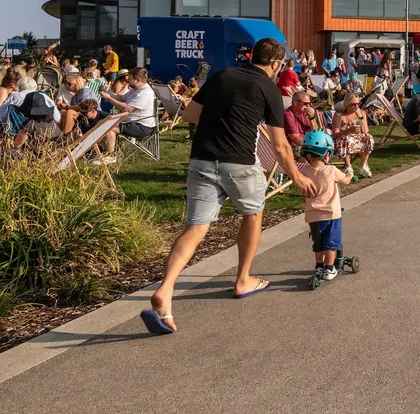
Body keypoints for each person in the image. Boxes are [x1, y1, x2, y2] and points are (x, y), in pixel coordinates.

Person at [141, 38, 310, 335]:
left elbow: (190, 115)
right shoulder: (268, 87)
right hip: (239, 163)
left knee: (195, 228)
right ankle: (243, 279)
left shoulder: (221, 75)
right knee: (253, 214)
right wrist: (297, 177)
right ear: (276, 64)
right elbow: (281, 145)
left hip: (202, 159)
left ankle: (166, 290)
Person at [297, 131, 352, 284]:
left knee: (318, 243)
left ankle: (319, 266)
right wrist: (349, 172)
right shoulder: (332, 170)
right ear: (327, 154)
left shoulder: (304, 172)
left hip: (313, 215)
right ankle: (329, 268)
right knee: (331, 243)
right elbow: (346, 180)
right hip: (331, 214)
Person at [98, 67, 157, 151]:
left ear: (137, 79)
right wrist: (106, 92)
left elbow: (127, 109)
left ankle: (110, 155)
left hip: (142, 126)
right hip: (131, 122)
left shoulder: (144, 93)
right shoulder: (135, 89)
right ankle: (102, 150)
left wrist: (109, 98)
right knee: (101, 121)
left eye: (130, 79)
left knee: (107, 126)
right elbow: (121, 97)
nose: (127, 81)